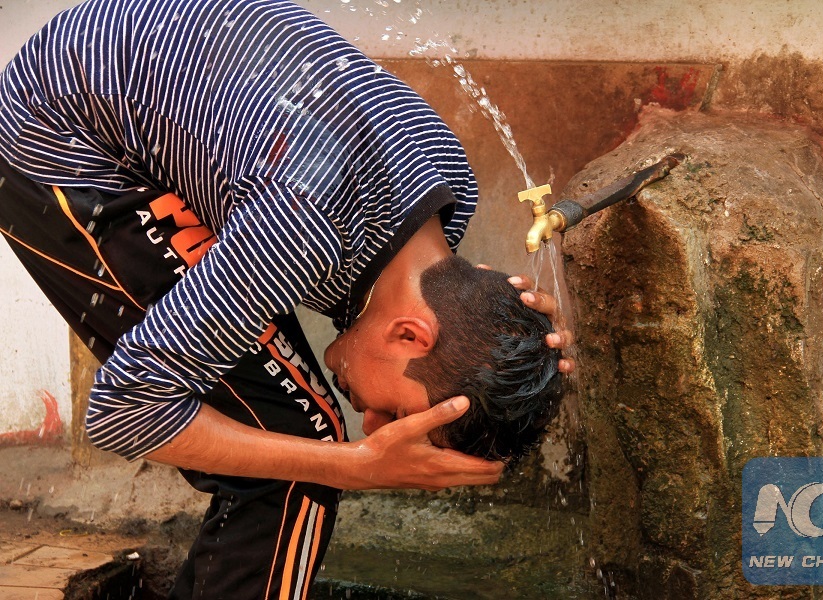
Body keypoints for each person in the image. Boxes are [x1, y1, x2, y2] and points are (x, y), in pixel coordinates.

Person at [0, 0, 570, 597]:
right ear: (410, 334)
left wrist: (514, 337)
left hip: (127, 78)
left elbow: (458, 305)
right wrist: (358, 466)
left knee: (294, 432)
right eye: (399, 417)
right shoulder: (297, 230)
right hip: (55, 133)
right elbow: (124, 412)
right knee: (305, 443)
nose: (373, 426)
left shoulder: (446, 183)